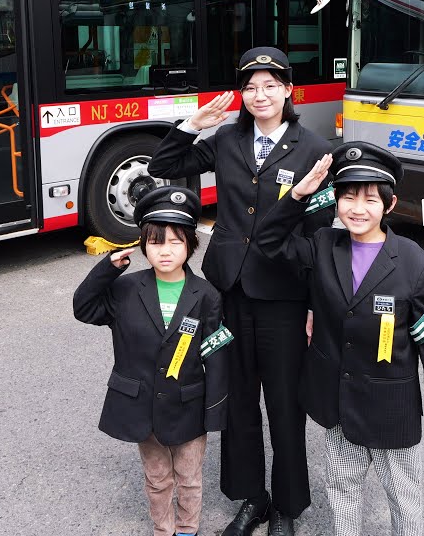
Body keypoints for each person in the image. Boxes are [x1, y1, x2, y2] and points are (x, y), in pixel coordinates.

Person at [149, 46, 333, 536]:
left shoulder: (313, 148)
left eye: (271, 85)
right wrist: (193, 124)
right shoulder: (226, 139)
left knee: (285, 403)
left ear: (288, 90)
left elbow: (319, 235)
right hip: (229, 290)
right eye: (251, 87)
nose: (260, 95)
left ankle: (288, 507)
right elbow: (164, 163)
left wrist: (316, 304)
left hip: (285, 296)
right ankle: (252, 499)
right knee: (239, 401)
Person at [257, 142, 424, 536]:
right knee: (342, 487)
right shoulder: (324, 246)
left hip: (392, 404)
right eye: (348, 196)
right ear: (336, 201)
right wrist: (297, 195)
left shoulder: (414, 261)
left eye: (369, 199)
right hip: (337, 400)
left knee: (403, 494)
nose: (357, 209)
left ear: (389, 205)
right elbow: (268, 242)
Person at [73, 186, 232, 536]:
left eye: (176, 242)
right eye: (157, 241)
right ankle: (164, 529)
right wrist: (107, 269)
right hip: (143, 405)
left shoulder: (206, 295)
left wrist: (215, 408)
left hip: (189, 404)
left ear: (191, 245)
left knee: (189, 477)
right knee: (158, 477)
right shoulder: (126, 288)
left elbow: (216, 353)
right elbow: (84, 309)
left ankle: (188, 529)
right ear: (144, 244)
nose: (165, 251)